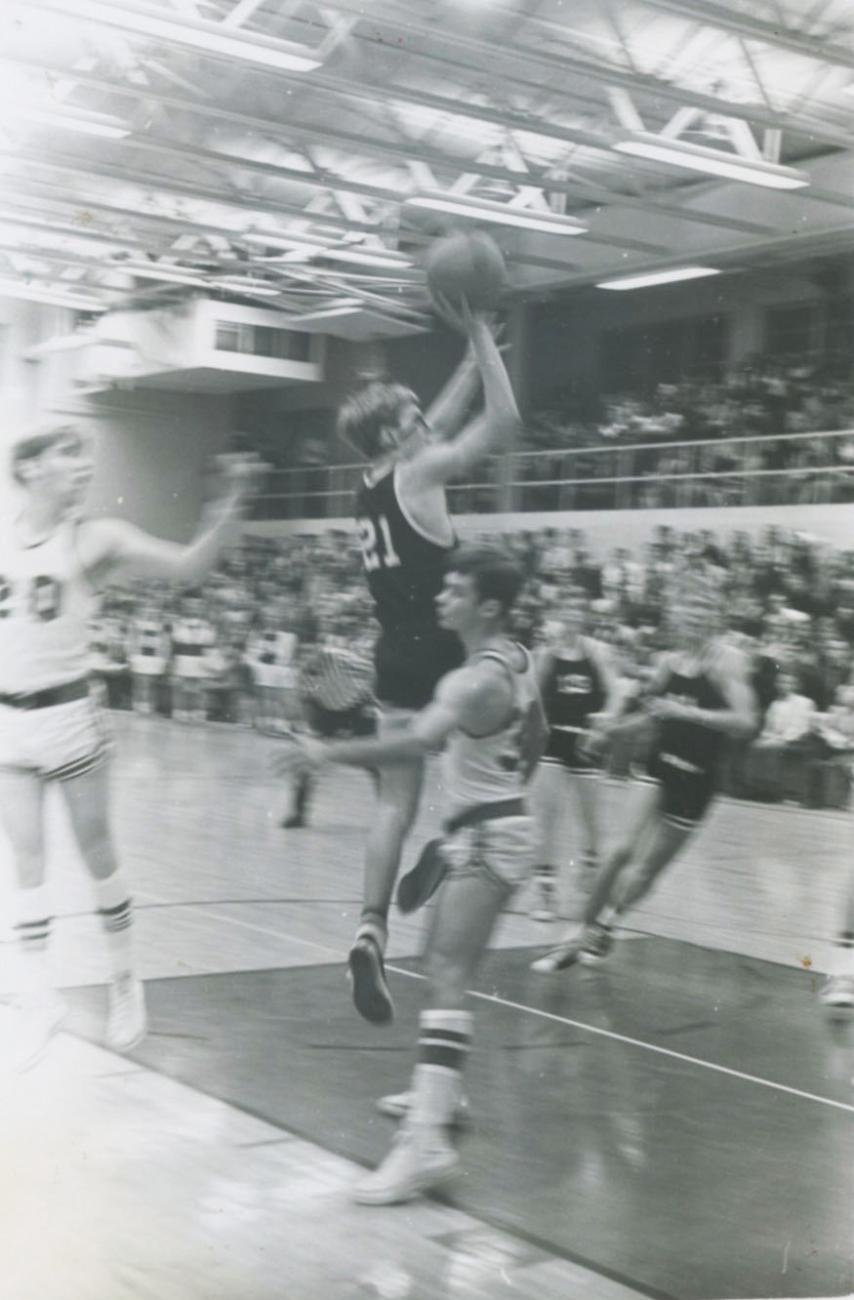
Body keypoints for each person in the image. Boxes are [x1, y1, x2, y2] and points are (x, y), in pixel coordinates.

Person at [275, 546, 546, 1203]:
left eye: (453, 591)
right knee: (441, 968)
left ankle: (425, 1145)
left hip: (487, 836)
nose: (439, 599)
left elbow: (417, 743)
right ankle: (441, 1099)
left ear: (487, 606)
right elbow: (539, 730)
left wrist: (325, 752)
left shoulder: (469, 682)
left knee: (446, 974)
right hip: (497, 825)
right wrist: (507, 787)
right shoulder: (517, 657)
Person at [0, 425, 261, 1069]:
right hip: (8, 717)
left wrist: (229, 504)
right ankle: (39, 997)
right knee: (25, 863)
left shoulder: (95, 539)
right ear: (29, 467)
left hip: (67, 714)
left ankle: (123, 978)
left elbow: (189, 565)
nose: (84, 470)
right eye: (68, 456)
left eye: (88, 460)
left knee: (97, 856)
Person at [336, 302, 520, 1024]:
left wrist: (473, 359)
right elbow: (500, 426)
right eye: (412, 415)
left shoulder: (373, 483)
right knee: (505, 764)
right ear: (393, 434)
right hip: (449, 650)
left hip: (393, 654)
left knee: (393, 803)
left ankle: (369, 928)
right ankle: (452, 846)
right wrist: (479, 340)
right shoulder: (423, 475)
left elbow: (433, 422)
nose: (426, 421)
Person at [532, 577, 756, 973]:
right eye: (687, 609)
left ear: (715, 615)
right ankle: (576, 931)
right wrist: (608, 731)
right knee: (620, 850)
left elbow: (746, 721)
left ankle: (608, 923)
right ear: (676, 615)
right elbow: (652, 713)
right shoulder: (668, 662)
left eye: (703, 609)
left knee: (649, 868)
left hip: (699, 776)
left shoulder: (727, 661)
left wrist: (691, 714)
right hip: (658, 763)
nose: (693, 617)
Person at [530, 589, 621, 921]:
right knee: (547, 818)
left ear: (584, 617)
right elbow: (534, 698)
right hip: (553, 742)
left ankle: (590, 868)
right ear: (558, 614)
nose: (570, 617)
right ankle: (545, 893)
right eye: (565, 610)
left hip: (586, 742)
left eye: (576, 611)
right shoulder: (547, 654)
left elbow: (615, 693)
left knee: (592, 821)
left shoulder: (598, 653)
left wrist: (605, 720)